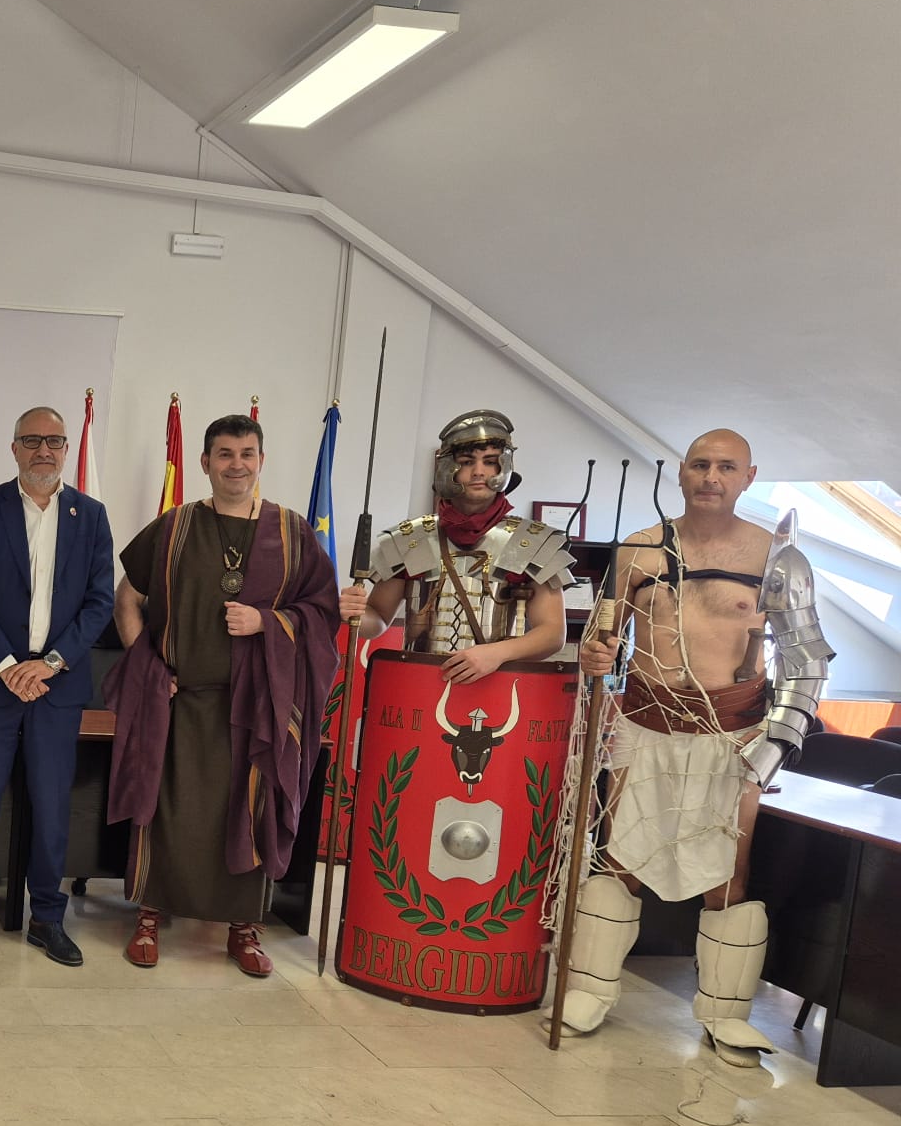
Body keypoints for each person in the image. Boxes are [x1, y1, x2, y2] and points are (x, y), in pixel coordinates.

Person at [559, 429, 830, 1065]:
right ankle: (591, 991)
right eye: (701, 464)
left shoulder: (775, 557)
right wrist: (595, 657)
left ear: (748, 476)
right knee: (618, 855)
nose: (712, 476)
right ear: (682, 473)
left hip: (732, 731)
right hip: (644, 720)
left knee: (726, 873)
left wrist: (768, 755)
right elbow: (603, 637)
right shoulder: (639, 549)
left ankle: (724, 1015)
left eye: (726, 467)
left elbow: (808, 662)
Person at [109, 413, 340, 975]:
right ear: (206, 462)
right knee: (166, 807)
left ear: (261, 460)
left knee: (250, 808)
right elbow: (126, 599)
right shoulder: (174, 527)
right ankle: (149, 916)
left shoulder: (293, 533)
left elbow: (322, 614)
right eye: (224, 454)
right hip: (179, 700)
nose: (236, 464)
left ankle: (245, 928)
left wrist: (267, 624)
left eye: (247, 453)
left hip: (257, 705)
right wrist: (147, 662)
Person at [0, 406, 114, 967]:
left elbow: (99, 602)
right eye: (33, 440)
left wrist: (51, 663)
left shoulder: (90, 515)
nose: (45, 450)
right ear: (14, 448)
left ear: (66, 449)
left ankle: (47, 917)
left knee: (50, 808)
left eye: (55, 441)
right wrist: (8, 665)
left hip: (56, 688)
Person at [339, 409, 573, 673]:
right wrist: (355, 612)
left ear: (504, 466)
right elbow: (378, 619)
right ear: (448, 467)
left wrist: (496, 653)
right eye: (466, 461)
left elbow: (553, 634)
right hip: (417, 683)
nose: (478, 471)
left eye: (490, 461)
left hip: (495, 687)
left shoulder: (534, 542)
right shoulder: (409, 539)